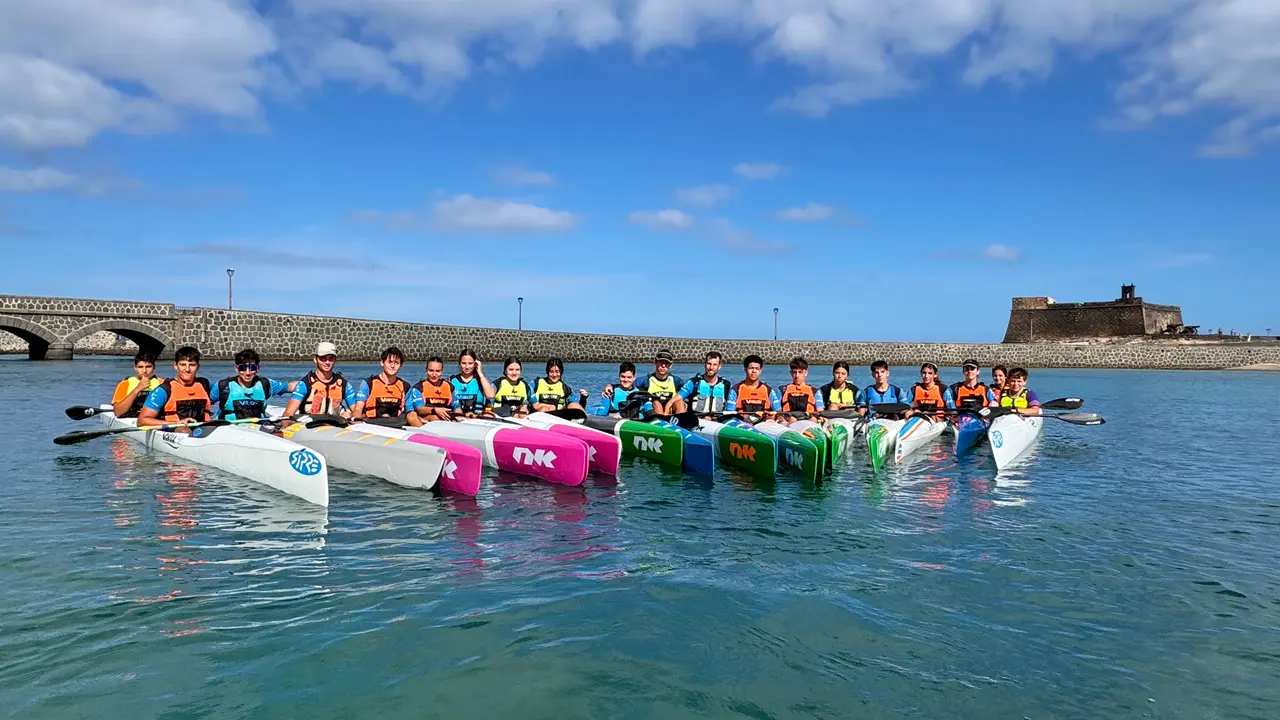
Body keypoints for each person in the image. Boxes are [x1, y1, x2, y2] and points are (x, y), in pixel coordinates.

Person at [210, 348, 297, 421]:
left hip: (256, 430)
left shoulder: (265, 384)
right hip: (228, 431)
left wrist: (309, 383)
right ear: (236, 369)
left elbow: (291, 387)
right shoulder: (223, 386)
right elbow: (204, 405)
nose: (247, 373)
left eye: (252, 368)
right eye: (242, 368)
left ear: (258, 368)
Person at [138, 346, 212, 429]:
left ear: (198, 367)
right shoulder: (163, 390)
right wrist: (178, 423)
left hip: (204, 430)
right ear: (175, 366)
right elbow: (142, 421)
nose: (187, 369)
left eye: (192, 365)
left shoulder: (205, 385)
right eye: (183, 365)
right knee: (184, 431)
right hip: (175, 431)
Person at [283, 342, 358, 418]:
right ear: (315, 359)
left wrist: (351, 415)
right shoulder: (305, 384)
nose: (327, 362)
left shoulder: (344, 385)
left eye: (331, 358)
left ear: (335, 359)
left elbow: (357, 412)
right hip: (309, 426)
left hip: (335, 426)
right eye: (323, 359)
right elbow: (288, 413)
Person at [352, 346, 423, 426]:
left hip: (396, 425)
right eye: (390, 362)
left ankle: (425, 436)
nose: (393, 366)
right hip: (372, 424)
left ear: (401, 365)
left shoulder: (405, 386)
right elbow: (358, 409)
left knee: (412, 415)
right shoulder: (368, 383)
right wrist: (356, 422)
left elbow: (410, 411)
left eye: (396, 363)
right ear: (382, 362)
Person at [678, 351, 732, 417]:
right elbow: (675, 400)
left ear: (719, 366)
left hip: (718, 421)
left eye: (714, 365)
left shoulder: (726, 385)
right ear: (705, 364)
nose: (711, 367)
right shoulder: (694, 382)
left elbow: (731, 409)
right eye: (709, 364)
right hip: (697, 420)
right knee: (678, 402)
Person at [111, 349, 162, 418]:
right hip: (130, 418)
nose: (144, 371)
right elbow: (118, 412)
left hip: (153, 419)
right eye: (140, 367)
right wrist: (137, 389)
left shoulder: (162, 383)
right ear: (135, 367)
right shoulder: (125, 384)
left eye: (148, 367)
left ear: (154, 367)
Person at [448, 349, 495, 417]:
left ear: (475, 364)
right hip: (457, 419)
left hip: (477, 419)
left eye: (470, 363)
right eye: (464, 363)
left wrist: (480, 373)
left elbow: (490, 395)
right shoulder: (451, 381)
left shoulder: (481, 380)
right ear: (459, 363)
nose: (467, 367)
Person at [776, 356, 824, 423]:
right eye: (794, 372)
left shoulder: (815, 391)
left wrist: (821, 417)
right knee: (792, 419)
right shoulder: (782, 390)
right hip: (789, 420)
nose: (797, 375)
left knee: (813, 419)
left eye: (800, 372)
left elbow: (820, 410)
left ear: (806, 373)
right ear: (791, 373)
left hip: (808, 419)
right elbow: (777, 410)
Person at [409, 356, 454, 422]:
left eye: (437, 371)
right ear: (426, 370)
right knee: (435, 418)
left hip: (446, 419)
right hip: (426, 420)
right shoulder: (418, 387)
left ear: (442, 371)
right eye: (431, 371)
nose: (434, 374)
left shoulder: (450, 386)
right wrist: (435, 410)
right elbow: (419, 409)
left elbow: (457, 407)